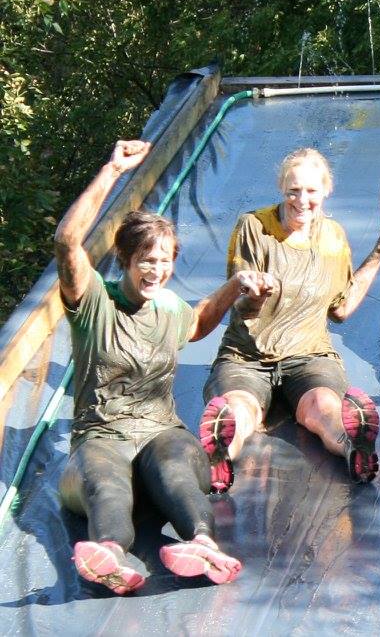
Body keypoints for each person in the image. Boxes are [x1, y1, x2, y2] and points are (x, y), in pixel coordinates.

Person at [55, 140, 259, 594]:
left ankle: (203, 544)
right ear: (126, 261)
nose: (156, 270)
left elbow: (198, 323)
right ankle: (109, 554)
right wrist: (112, 170)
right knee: (106, 484)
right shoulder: (94, 302)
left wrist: (234, 286)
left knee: (176, 469)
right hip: (102, 436)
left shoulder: (167, 308)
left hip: (159, 431)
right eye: (146, 260)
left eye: (165, 262)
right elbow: (67, 242)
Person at [201, 148, 380, 492]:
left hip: (309, 355)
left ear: (326, 190)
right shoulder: (254, 227)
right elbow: (241, 306)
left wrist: (378, 254)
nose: (302, 200)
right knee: (242, 408)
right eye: (293, 191)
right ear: (281, 188)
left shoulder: (333, 238)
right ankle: (221, 453)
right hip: (246, 356)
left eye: (311, 191)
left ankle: (354, 444)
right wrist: (255, 295)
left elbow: (341, 309)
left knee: (322, 406)